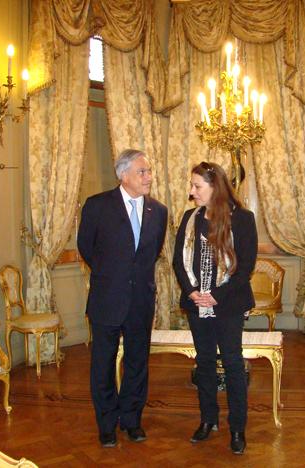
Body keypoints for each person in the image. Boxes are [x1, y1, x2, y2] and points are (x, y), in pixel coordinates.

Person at [78, 149, 168, 448]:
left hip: (141, 300)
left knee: (137, 363)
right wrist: (112, 276)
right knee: (102, 364)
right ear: (123, 174)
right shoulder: (97, 205)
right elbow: (86, 248)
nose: (148, 177)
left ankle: (131, 420)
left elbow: (150, 254)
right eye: (142, 172)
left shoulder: (159, 211)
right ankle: (106, 423)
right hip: (107, 298)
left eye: (149, 171)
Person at [172, 161, 258, 455]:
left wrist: (216, 295)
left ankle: (237, 428)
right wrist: (192, 291)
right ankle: (208, 420)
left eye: (197, 186)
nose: (192, 191)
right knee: (204, 362)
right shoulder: (189, 218)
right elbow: (177, 262)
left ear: (215, 187)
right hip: (197, 304)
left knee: (233, 363)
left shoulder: (243, 219)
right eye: (192, 185)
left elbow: (244, 266)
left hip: (229, 305)